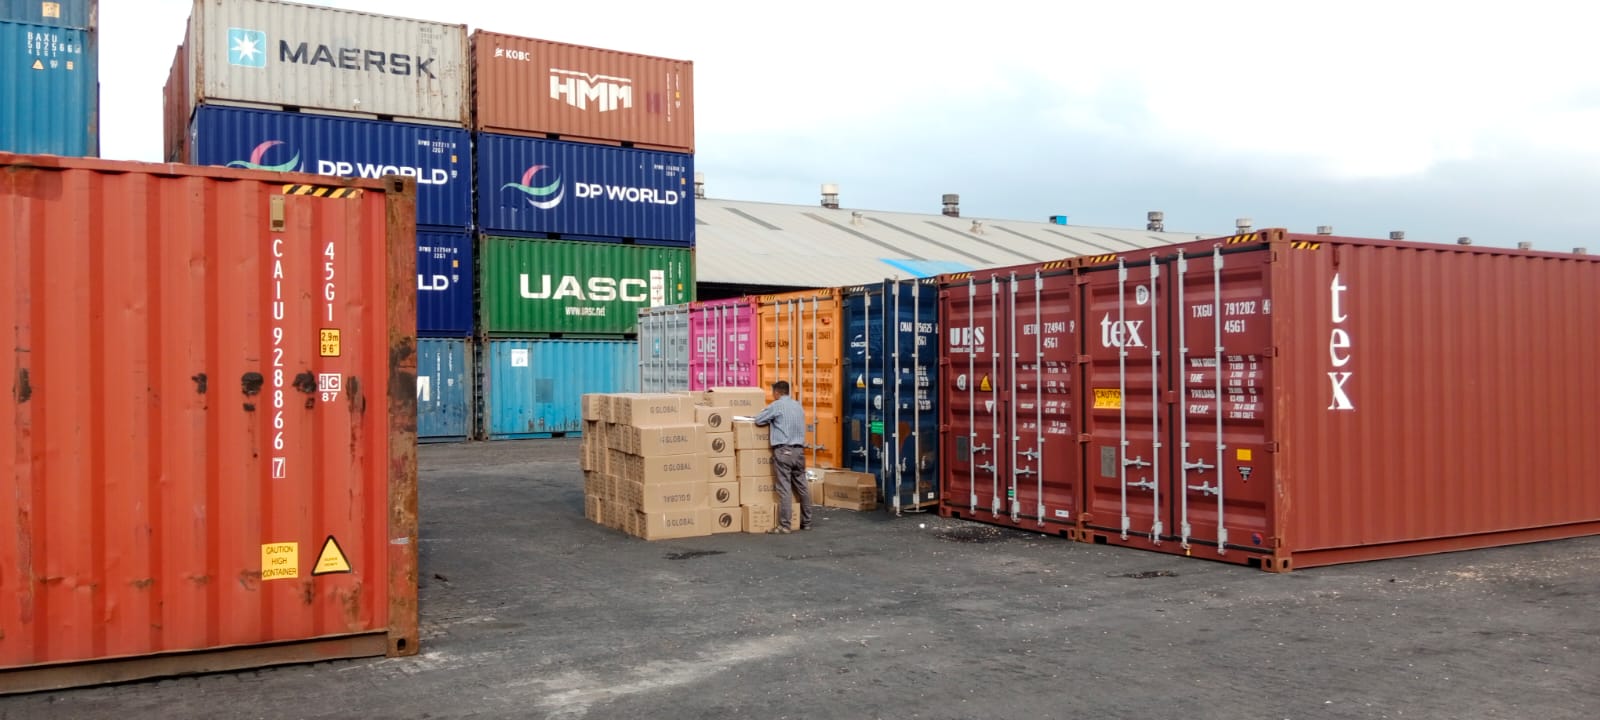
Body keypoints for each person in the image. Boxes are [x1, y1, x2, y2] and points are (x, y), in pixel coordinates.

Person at [751, 380, 811, 534]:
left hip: (784, 450)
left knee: (784, 488)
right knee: (802, 486)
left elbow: (758, 420)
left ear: (777, 392)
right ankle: (806, 522)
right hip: (799, 451)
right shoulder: (798, 405)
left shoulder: (777, 405)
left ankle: (785, 525)